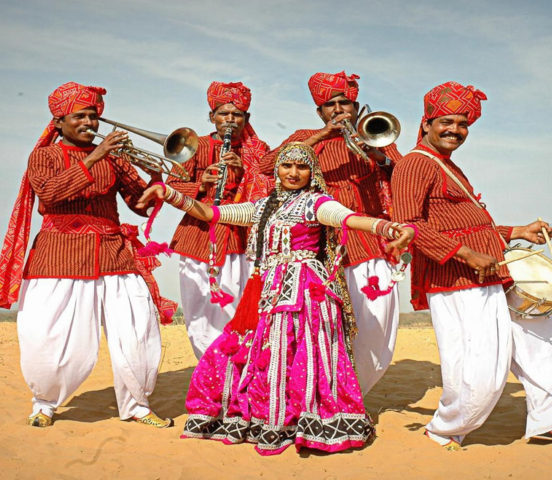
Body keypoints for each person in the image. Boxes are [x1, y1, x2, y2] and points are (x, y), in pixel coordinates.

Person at [138, 142, 416, 455]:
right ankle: (276, 417)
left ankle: (307, 422)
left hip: (306, 292)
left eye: (301, 167)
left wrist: (387, 227)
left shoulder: (316, 203)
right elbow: (209, 212)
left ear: (312, 172)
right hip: (268, 291)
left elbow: (348, 218)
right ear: (278, 170)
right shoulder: (263, 207)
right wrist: (170, 193)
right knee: (268, 353)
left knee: (305, 355)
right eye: (287, 166)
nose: (293, 173)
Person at [391, 81, 552, 450]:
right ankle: (444, 429)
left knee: (542, 343)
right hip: (456, 278)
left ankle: (550, 422)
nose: (456, 130)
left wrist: (517, 231)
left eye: (463, 124)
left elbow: (468, 224)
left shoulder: (447, 165)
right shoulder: (414, 164)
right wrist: (467, 254)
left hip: (491, 272)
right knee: (480, 365)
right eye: (447, 122)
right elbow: (409, 224)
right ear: (426, 123)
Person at [0, 82, 174, 428]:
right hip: (58, 256)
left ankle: (137, 404)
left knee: (136, 329)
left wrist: (155, 179)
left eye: (93, 116)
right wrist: (95, 156)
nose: (89, 122)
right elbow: (50, 195)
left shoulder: (115, 159)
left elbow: (138, 206)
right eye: (80, 116)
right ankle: (44, 403)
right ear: (59, 122)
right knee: (49, 334)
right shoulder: (43, 156)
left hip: (113, 252)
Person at [256, 71, 402, 394]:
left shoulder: (374, 135)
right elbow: (267, 166)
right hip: (321, 247)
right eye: (330, 105)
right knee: (325, 328)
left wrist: (378, 154)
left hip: (369, 241)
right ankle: (331, 396)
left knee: (377, 322)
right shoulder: (306, 135)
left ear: (356, 106)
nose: (338, 110)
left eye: (345, 104)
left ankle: (355, 393)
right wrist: (323, 135)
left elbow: (402, 177)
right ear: (319, 112)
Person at [167, 81, 271, 359]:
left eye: (237, 115)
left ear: (246, 119)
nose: (230, 120)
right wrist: (201, 185)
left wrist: (246, 173)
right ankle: (212, 373)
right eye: (223, 113)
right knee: (201, 316)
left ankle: (237, 376)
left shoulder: (259, 150)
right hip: (198, 240)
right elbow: (170, 188)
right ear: (211, 116)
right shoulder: (194, 145)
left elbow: (270, 195)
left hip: (241, 243)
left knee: (243, 312)